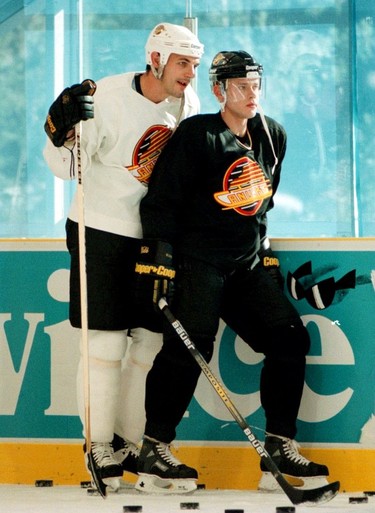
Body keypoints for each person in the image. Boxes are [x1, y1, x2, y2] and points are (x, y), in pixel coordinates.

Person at [135, 50, 330, 494]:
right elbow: (161, 201)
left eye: (256, 85)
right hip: (198, 261)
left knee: (289, 337)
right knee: (189, 348)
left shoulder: (272, 134)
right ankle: (154, 449)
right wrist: (159, 259)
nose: (251, 94)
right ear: (219, 90)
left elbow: (262, 201)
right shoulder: (197, 135)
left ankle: (279, 447)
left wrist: (266, 254)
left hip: (244, 265)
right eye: (241, 86)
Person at [43, 22, 204, 492]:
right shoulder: (106, 98)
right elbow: (67, 166)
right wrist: (58, 131)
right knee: (105, 346)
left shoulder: (184, 104)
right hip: (99, 228)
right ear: (155, 59)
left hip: (151, 236)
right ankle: (96, 444)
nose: (189, 73)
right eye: (182, 63)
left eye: (194, 64)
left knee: (148, 345)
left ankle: (131, 443)